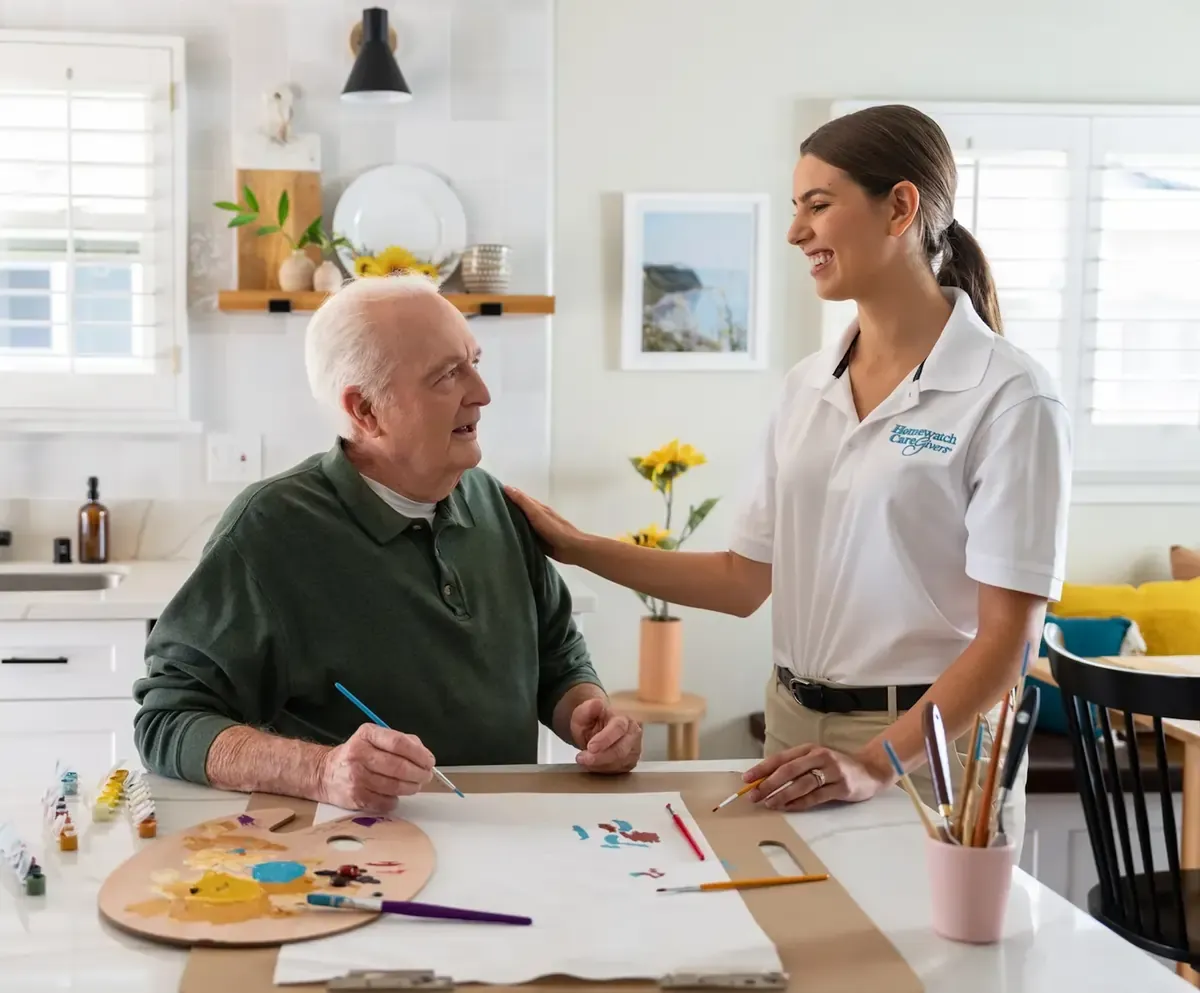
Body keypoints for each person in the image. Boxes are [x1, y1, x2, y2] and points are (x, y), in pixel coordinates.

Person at [506, 105, 1070, 851]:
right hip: (794, 725)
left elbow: (1009, 641)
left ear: (900, 207)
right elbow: (744, 579)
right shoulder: (806, 387)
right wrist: (576, 545)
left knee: (923, 968)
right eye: (794, 208)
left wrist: (874, 761)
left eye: (818, 205)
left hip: (933, 748)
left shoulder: (1009, 394)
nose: (795, 231)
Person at [133, 275, 642, 812]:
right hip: (354, 860)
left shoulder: (495, 503)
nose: (482, 393)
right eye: (448, 375)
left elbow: (558, 657)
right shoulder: (268, 530)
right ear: (366, 411)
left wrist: (587, 713)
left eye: (474, 361)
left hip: (508, 840)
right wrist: (321, 770)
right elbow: (168, 721)